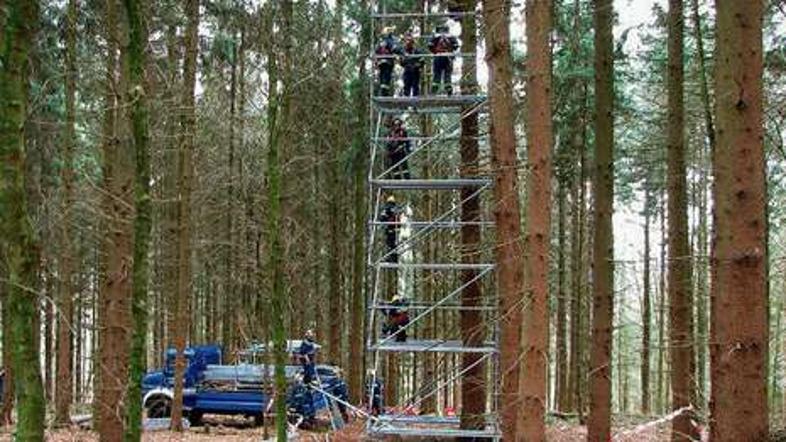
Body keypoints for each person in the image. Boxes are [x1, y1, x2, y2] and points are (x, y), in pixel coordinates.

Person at [428, 24, 459, 95]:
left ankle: (434, 91)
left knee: (437, 74)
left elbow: (430, 46)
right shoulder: (451, 37)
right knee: (447, 74)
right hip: (448, 57)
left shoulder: (435, 36)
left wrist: (435, 52)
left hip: (438, 56)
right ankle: (448, 91)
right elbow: (456, 46)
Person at [375, 27, 400, 96]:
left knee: (383, 78)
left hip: (382, 62)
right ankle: (384, 93)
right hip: (387, 62)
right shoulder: (389, 40)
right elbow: (395, 49)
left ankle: (383, 92)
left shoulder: (381, 41)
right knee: (386, 78)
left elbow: (376, 51)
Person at [398, 32, 425, 97]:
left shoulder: (417, 51)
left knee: (415, 87)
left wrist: (417, 65)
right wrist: (404, 61)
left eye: (409, 41)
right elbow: (401, 62)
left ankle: (415, 105)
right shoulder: (403, 51)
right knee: (406, 87)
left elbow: (422, 61)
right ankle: (406, 103)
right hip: (407, 71)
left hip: (415, 71)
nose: (407, 43)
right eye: (406, 41)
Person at [379, 195, 402, 262]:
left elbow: (382, 218)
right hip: (394, 228)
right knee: (393, 244)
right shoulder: (395, 209)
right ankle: (393, 258)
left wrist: (384, 221)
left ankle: (392, 258)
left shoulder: (388, 208)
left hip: (390, 228)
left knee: (390, 243)